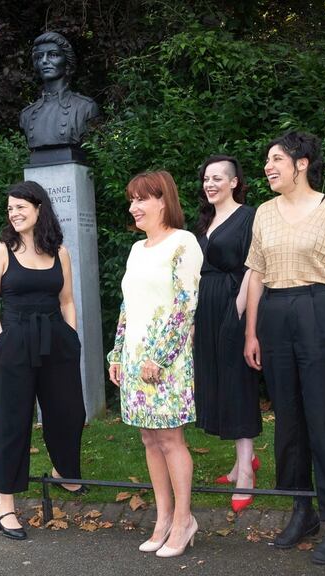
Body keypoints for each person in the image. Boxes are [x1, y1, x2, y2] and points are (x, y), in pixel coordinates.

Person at [243, 131, 325, 565]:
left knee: (324, 418)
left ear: (302, 163)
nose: (267, 167)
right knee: (289, 422)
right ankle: (302, 509)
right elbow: (256, 274)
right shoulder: (263, 212)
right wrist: (251, 333)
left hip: (319, 310)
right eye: (266, 160)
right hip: (275, 314)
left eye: (276, 159)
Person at [0, 181, 87, 541]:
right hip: (15, 340)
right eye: (10, 208)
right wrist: (1, 337)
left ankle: (64, 471)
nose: (14, 213)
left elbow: (68, 299)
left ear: (39, 208)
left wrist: (71, 335)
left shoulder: (59, 252)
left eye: (21, 207)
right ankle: (6, 506)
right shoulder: (1, 251)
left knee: (69, 411)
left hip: (56, 339)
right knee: (12, 421)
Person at [107, 171, 202, 558]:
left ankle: (183, 520)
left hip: (167, 360)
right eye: (131, 200)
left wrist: (158, 358)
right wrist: (117, 353)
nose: (134, 207)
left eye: (141, 199)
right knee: (149, 438)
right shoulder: (136, 249)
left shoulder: (184, 243)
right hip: (134, 361)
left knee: (170, 439)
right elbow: (128, 306)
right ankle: (162, 519)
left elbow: (185, 306)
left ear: (163, 200)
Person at [190, 154, 262, 513]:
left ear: (235, 182)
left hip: (234, 304)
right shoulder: (204, 221)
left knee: (237, 383)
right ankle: (239, 463)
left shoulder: (249, 217)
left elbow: (255, 265)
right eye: (206, 178)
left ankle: (247, 471)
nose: (211, 184)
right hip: (205, 307)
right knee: (216, 381)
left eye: (218, 178)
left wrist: (238, 306)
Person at [19, 31, 99, 151]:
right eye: (39, 56)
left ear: (67, 62)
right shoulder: (27, 114)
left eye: (53, 55)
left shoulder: (85, 107)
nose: (44, 61)